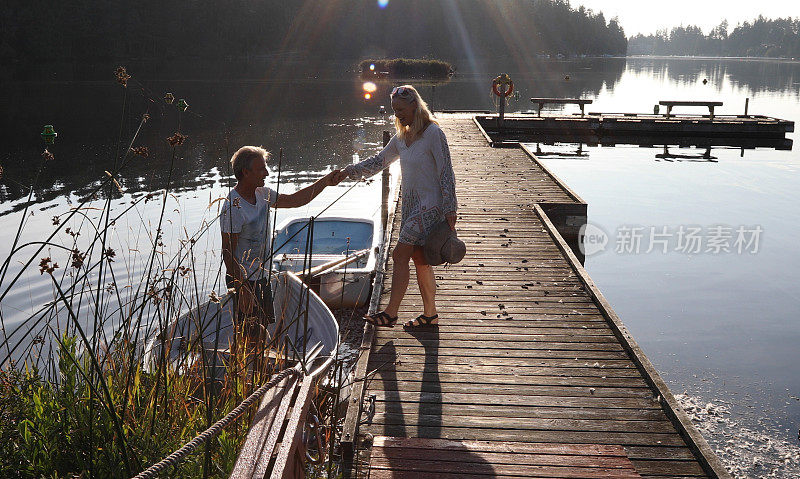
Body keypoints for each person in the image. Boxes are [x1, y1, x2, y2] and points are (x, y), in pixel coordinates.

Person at [333, 85, 457, 328]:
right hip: (411, 206)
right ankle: (430, 314)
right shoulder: (401, 137)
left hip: (431, 206)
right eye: (394, 110)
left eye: (401, 109)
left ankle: (390, 312)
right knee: (420, 258)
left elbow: (446, 171)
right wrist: (348, 172)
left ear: (415, 105)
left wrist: (450, 207)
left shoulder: (433, 133)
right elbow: (378, 161)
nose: (397, 114)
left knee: (399, 254)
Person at [220, 146, 342, 333]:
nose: (267, 173)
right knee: (249, 332)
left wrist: (325, 182)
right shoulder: (233, 206)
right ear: (245, 172)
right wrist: (242, 288)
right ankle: (248, 361)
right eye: (261, 169)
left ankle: (257, 360)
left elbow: (296, 200)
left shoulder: (262, 194)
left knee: (260, 328)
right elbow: (228, 253)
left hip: (262, 276)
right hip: (244, 280)